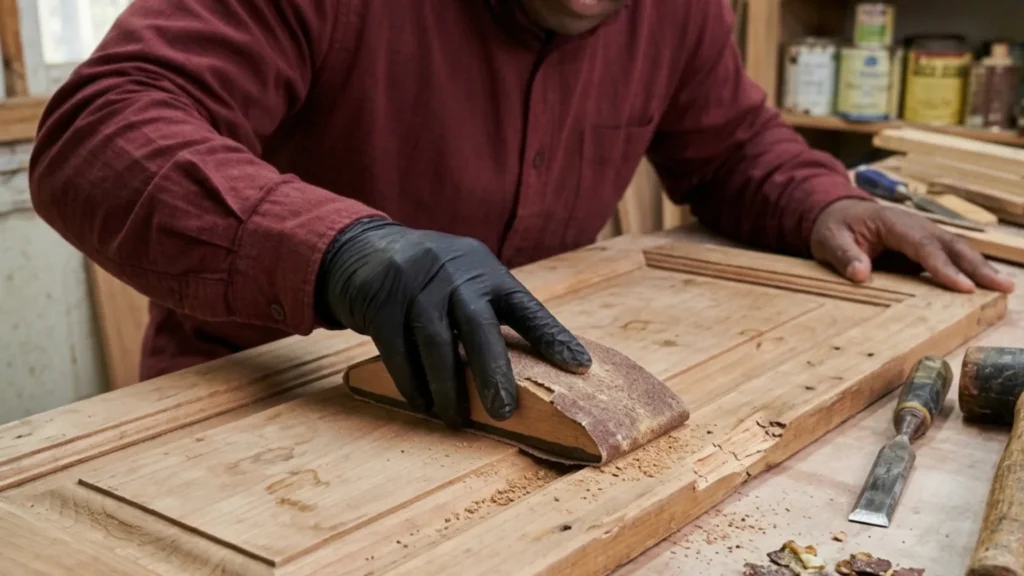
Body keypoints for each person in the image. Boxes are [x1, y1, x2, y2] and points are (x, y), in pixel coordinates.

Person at [29, 0, 1013, 427]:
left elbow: (730, 147)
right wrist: (347, 251)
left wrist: (821, 200)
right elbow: (97, 132)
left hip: (528, 403)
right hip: (267, 400)